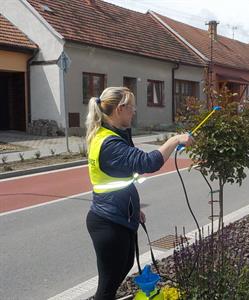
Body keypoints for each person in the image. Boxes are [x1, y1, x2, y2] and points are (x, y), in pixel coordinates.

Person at [85, 87, 193, 299]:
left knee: (123, 267)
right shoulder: (110, 143)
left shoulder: (109, 134)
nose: (134, 112)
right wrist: (174, 140)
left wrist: (133, 209)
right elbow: (147, 162)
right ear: (120, 109)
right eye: (132, 108)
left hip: (118, 214)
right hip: (108, 222)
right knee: (107, 287)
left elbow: (121, 178)